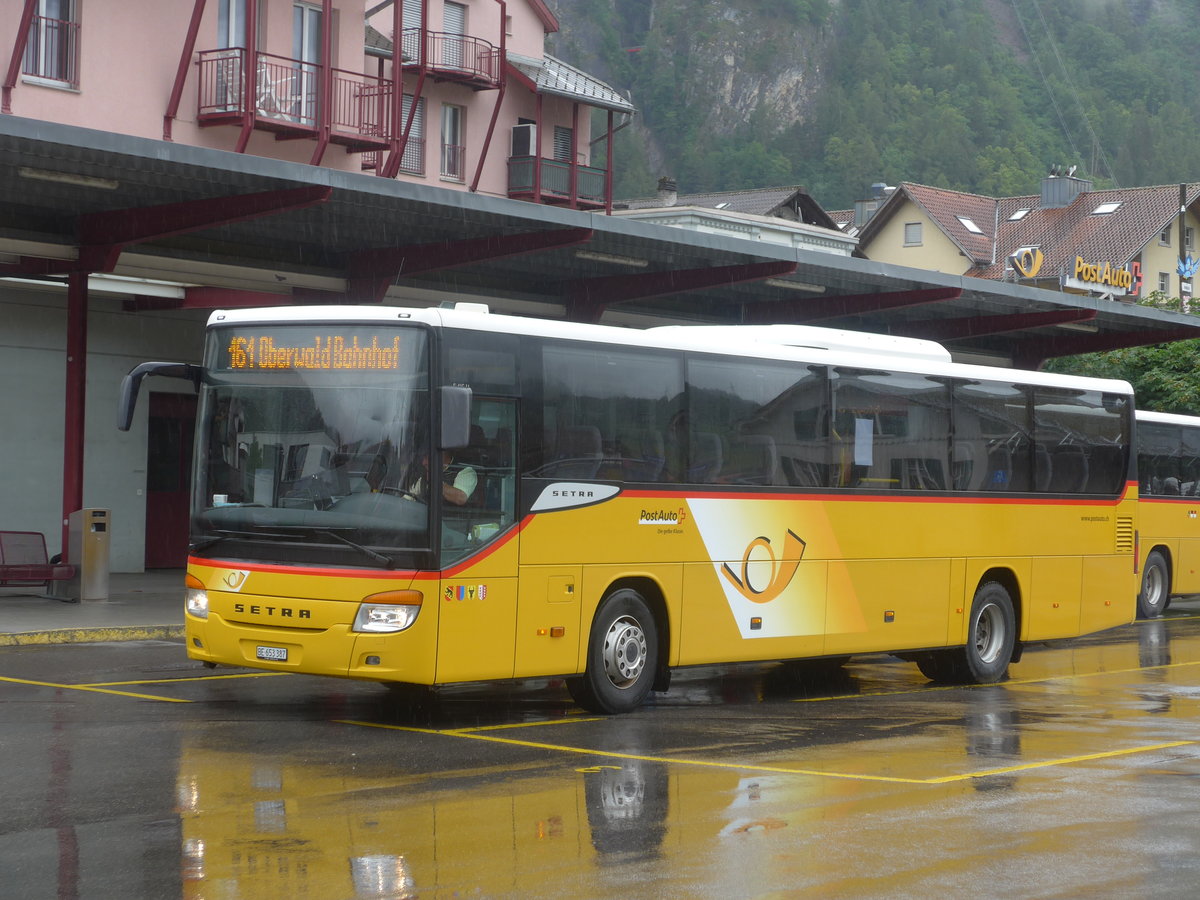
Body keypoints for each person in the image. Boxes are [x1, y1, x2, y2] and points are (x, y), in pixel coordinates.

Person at [408, 450, 477, 506]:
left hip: (456, 520)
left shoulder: (466, 471)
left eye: (427, 457)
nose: (423, 462)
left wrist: (435, 481)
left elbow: (460, 498)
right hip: (427, 519)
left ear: (442, 455)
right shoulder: (426, 475)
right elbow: (410, 496)